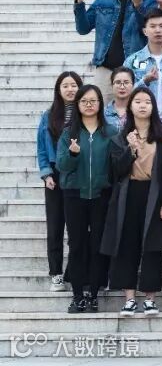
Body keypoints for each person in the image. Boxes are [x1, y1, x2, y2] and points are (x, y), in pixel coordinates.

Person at [101, 87, 162, 316]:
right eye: (138, 101)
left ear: (153, 107)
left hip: (154, 195)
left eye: (147, 102)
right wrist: (131, 149)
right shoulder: (120, 138)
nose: (143, 105)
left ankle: (150, 299)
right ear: (130, 106)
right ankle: (130, 299)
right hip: (128, 195)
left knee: (153, 247)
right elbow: (116, 171)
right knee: (127, 245)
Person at [56, 84, 116, 313]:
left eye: (93, 100)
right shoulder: (69, 133)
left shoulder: (110, 132)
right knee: (77, 244)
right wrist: (73, 154)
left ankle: (93, 295)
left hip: (101, 195)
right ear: (78, 104)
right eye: (84, 101)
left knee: (97, 245)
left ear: (100, 103)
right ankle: (78, 295)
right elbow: (61, 165)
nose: (89, 105)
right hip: (75, 194)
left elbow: (116, 165)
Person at [74, 0, 158, 99]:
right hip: (105, 67)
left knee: (135, 108)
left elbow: (149, 30)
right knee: (102, 109)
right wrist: (79, 4)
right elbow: (83, 28)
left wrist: (138, 6)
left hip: (136, 68)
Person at [36, 71, 83, 292]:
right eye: (65, 85)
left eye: (74, 85)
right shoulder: (48, 116)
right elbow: (41, 148)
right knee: (55, 225)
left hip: (77, 172)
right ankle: (55, 273)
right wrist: (46, 174)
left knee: (77, 225)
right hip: (55, 173)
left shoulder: (86, 113)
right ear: (58, 89)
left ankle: (72, 271)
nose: (70, 89)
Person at [104, 67, 135, 132]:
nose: (122, 87)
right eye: (118, 82)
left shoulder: (138, 111)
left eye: (126, 82)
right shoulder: (103, 113)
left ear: (133, 85)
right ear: (112, 85)